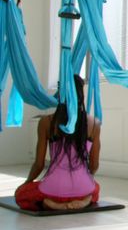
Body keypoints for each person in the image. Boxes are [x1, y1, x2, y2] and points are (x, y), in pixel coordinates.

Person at [15, 74, 102, 211]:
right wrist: (85, 178)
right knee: (95, 188)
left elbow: (39, 164)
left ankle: (52, 203)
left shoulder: (46, 122)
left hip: (54, 189)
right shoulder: (95, 124)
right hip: (82, 189)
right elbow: (94, 165)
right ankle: (86, 199)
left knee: (21, 194)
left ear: (60, 94)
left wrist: (27, 182)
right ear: (81, 94)